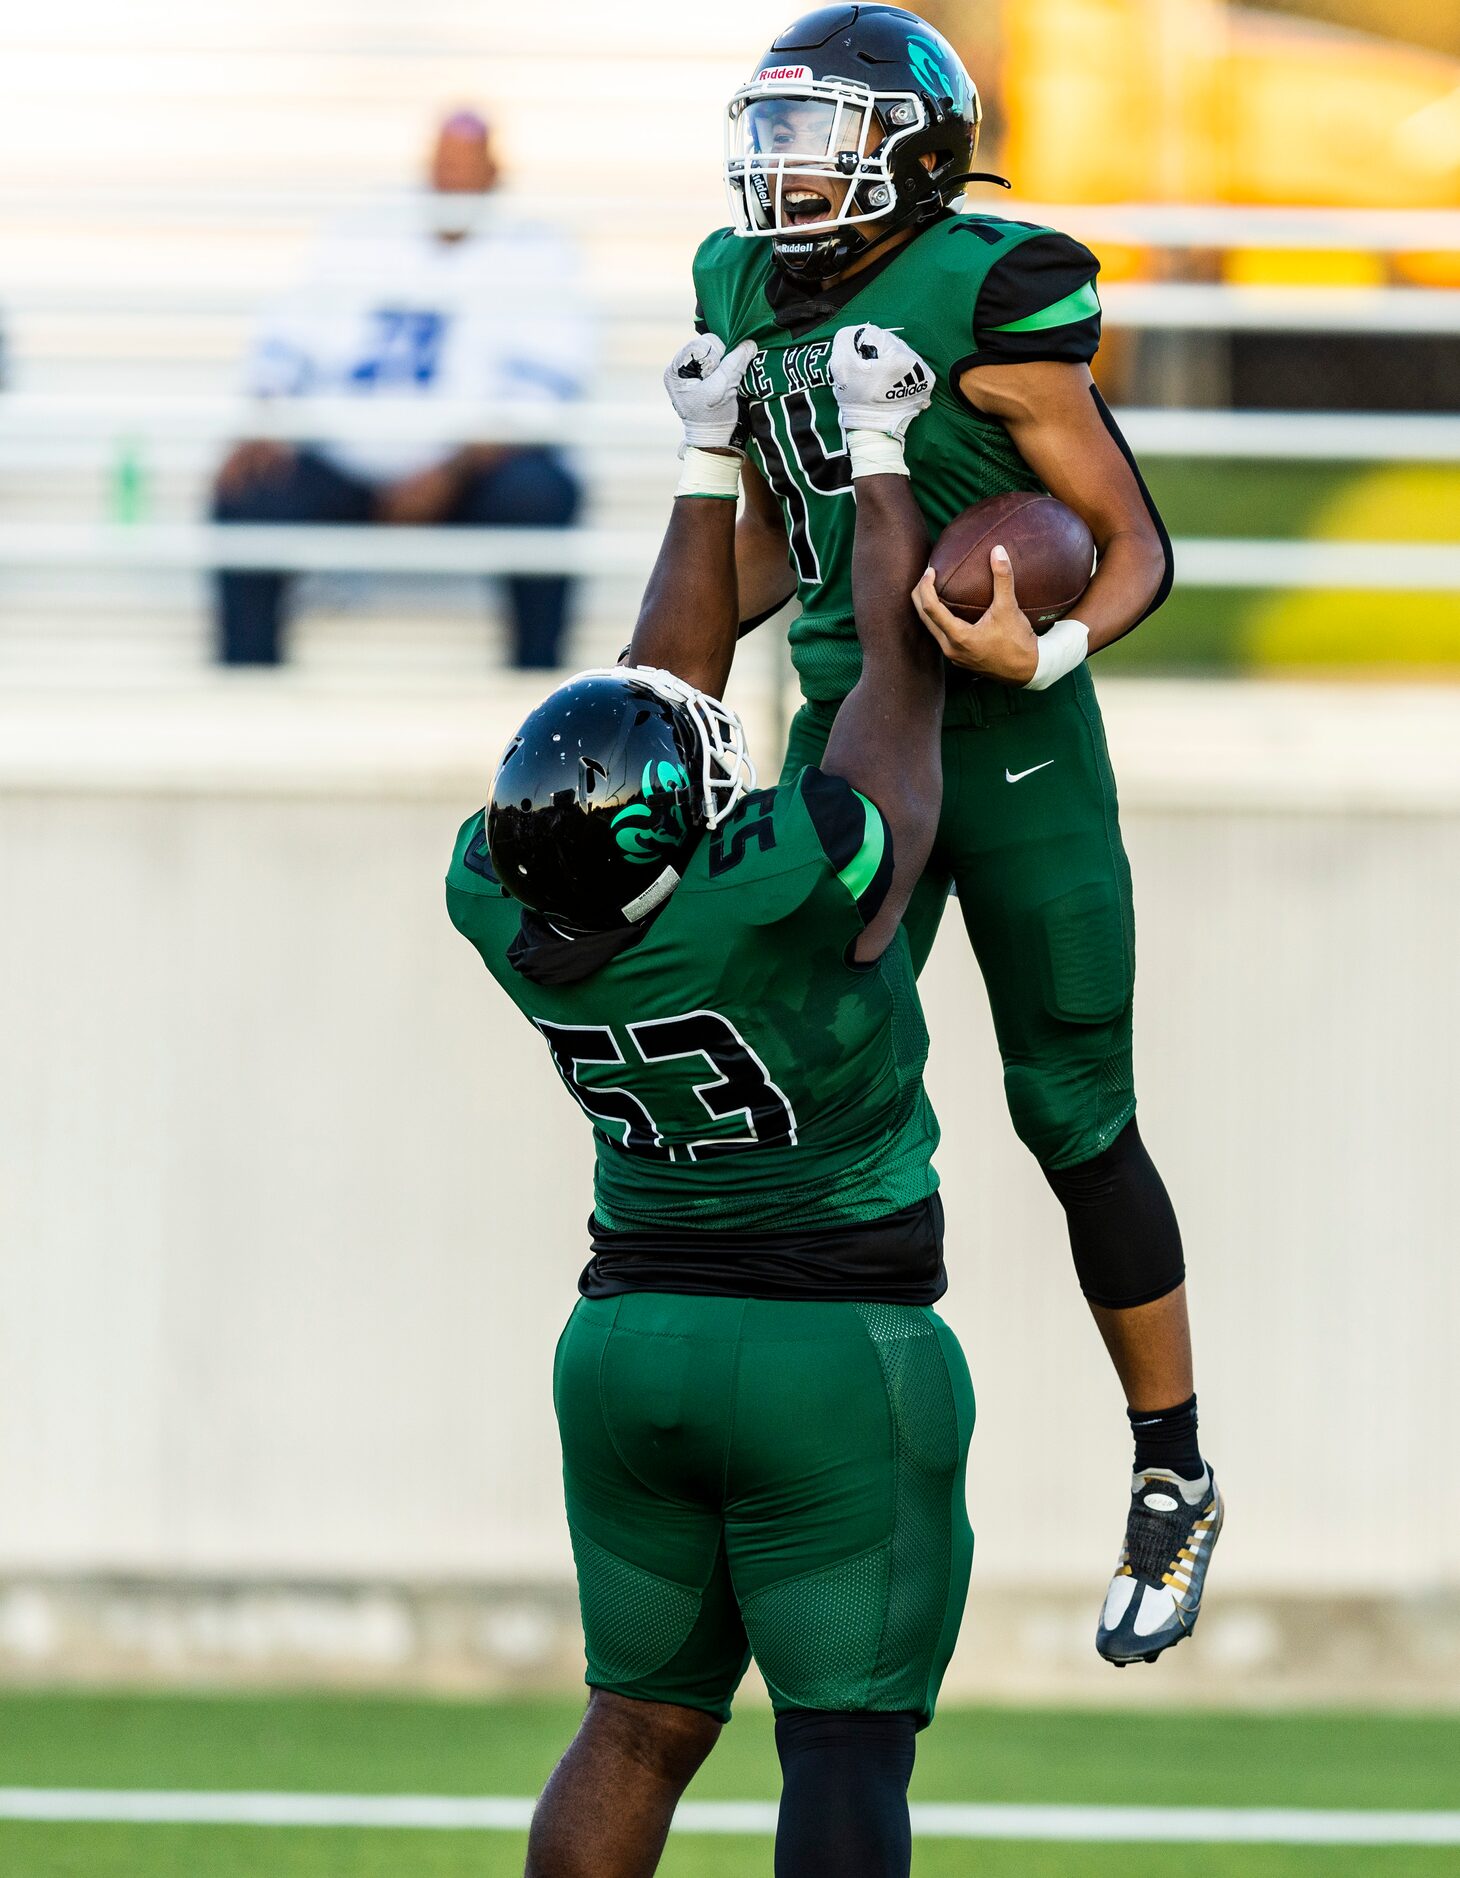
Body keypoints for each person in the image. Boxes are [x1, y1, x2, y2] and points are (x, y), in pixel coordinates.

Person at [696, 3, 1221, 1665]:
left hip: (1013, 748)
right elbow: (783, 542)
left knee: (1072, 1107)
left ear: (917, 153)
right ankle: (787, 1456)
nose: (783, 178)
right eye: (770, 137)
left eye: (820, 140)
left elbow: (1126, 538)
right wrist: (671, 673)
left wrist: (1047, 644)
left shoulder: (992, 288)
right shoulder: (733, 285)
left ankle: (1171, 1465)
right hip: (851, 719)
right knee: (795, 1082)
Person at [447, 324, 968, 1878]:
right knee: (844, 1741)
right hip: (829, 1349)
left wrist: (703, 460)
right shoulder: (768, 891)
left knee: (638, 1721)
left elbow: (644, 703)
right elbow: (900, 671)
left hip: (627, 1346)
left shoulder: (508, 898)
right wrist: (878, 457)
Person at [212, 110, 586, 668]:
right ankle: (248, 685)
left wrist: (449, 472)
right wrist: (264, 420)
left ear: (494, 174)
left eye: (466, 166)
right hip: (346, 465)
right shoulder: (359, 237)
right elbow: (286, 344)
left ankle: (537, 691)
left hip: (468, 476)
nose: (452, 179)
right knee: (248, 490)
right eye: (443, 164)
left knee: (542, 492)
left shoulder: (538, 253)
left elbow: (541, 396)